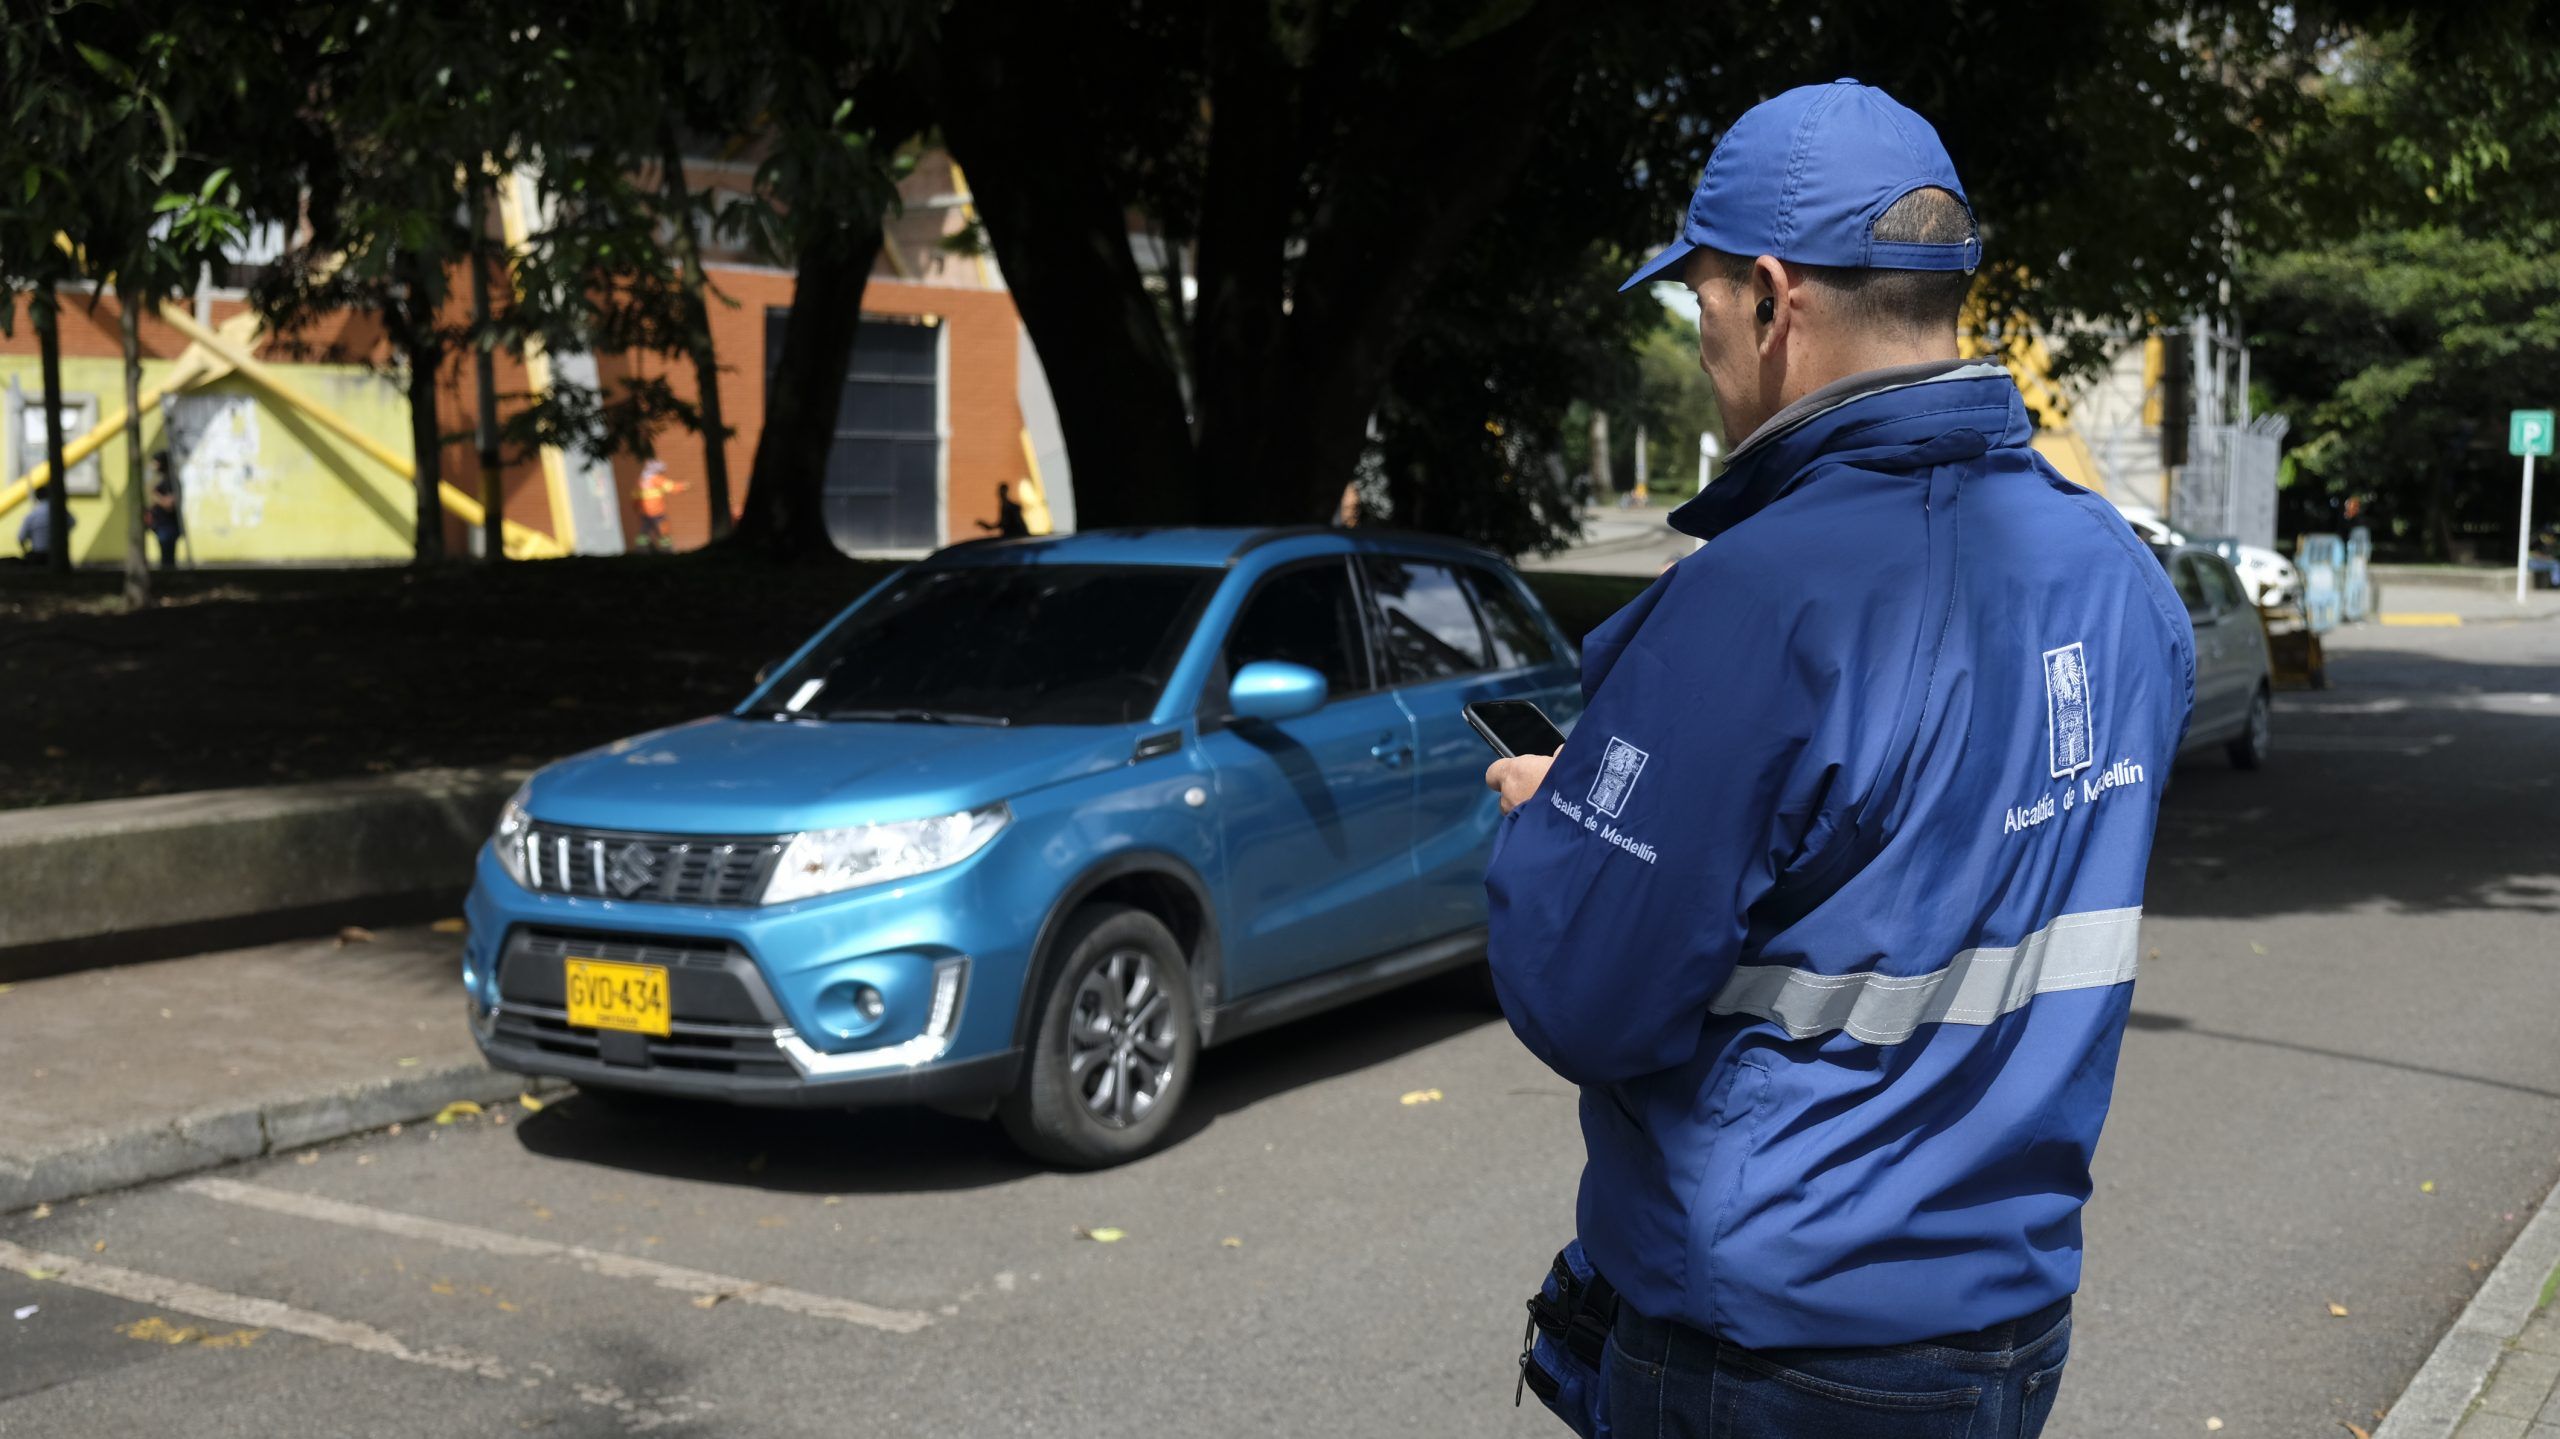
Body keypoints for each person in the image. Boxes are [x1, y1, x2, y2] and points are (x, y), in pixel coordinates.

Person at [1485, 80, 2192, 1437]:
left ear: (1770, 296)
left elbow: (1586, 994)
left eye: (1699, 306)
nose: (1702, 345)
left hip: (1773, 1355)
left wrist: (1548, 818)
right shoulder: (2115, 573)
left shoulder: (1756, 599)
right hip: (2002, 1335)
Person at [635, 458, 685, 552]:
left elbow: (635, 498)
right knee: (663, 532)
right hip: (657, 512)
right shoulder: (656, 479)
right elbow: (671, 487)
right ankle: (667, 551)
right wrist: (684, 486)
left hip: (645, 513)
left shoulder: (641, 481)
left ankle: (641, 550)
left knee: (644, 532)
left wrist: (638, 510)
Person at [146, 453, 184, 571]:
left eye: (156, 462)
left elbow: (169, 505)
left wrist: (155, 495)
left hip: (168, 527)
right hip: (162, 525)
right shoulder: (162, 480)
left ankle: (170, 582)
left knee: (168, 561)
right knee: (165, 559)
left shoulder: (171, 482)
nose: (153, 466)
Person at [16, 481, 68, 564]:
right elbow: (72, 523)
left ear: (37, 497)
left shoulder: (32, 515)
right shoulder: (59, 511)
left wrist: (26, 553)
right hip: (57, 555)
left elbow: (21, 538)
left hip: (38, 555)